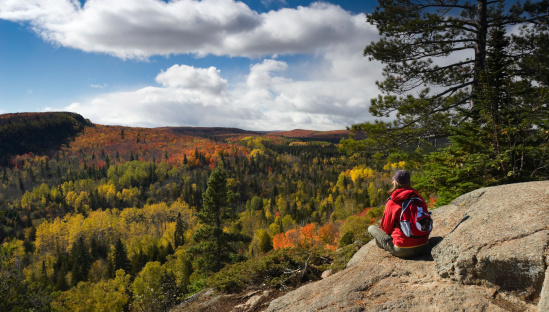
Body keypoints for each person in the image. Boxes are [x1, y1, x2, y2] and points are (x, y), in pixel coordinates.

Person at [368, 170, 430, 258]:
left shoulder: (393, 202)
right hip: (424, 245)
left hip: (403, 250)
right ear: (409, 182)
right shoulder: (418, 197)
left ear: (395, 182)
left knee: (371, 228)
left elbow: (386, 229)